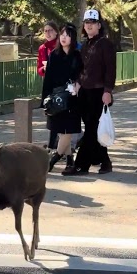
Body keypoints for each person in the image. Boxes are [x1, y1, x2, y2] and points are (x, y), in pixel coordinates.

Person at [66, 8, 116, 176]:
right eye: (87, 23)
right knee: (92, 128)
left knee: (92, 129)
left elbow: (111, 69)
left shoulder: (106, 44)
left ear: (99, 25)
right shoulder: (85, 45)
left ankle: (81, 164)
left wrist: (108, 90)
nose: (89, 26)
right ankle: (105, 161)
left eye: (93, 23)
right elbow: (82, 69)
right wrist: (78, 83)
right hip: (85, 93)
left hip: (99, 92)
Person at [40, 23, 83, 174]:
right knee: (61, 130)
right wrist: (44, 100)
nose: (64, 38)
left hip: (72, 98)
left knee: (68, 131)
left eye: (68, 35)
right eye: (63, 35)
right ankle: (70, 161)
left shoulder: (77, 55)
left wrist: (78, 84)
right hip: (56, 99)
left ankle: (54, 159)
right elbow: (48, 79)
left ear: (73, 38)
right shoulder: (54, 55)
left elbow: (81, 74)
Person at [37, 20, 59, 152]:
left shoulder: (61, 45)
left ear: (56, 31)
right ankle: (53, 145)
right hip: (48, 86)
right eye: (45, 31)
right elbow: (39, 69)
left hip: (61, 86)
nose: (48, 33)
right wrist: (44, 69)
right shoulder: (42, 48)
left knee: (59, 117)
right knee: (51, 114)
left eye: (50, 30)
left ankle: (53, 146)